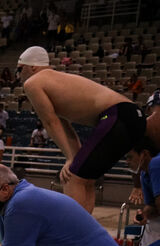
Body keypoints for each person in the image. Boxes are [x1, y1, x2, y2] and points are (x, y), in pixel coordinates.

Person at [18, 46, 146, 213]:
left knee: (72, 176)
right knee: (86, 177)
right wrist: (72, 157)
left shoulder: (33, 82)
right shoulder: (56, 82)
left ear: (32, 66)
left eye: (20, 69)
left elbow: (50, 123)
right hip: (133, 116)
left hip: (115, 116)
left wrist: (71, 161)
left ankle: (72, 234)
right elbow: (65, 128)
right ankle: (85, 233)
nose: (18, 75)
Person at [128, 143, 160, 246]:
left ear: (144, 154)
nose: (126, 162)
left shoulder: (156, 164)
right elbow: (152, 205)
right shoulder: (144, 173)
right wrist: (144, 214)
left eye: (130, 157)